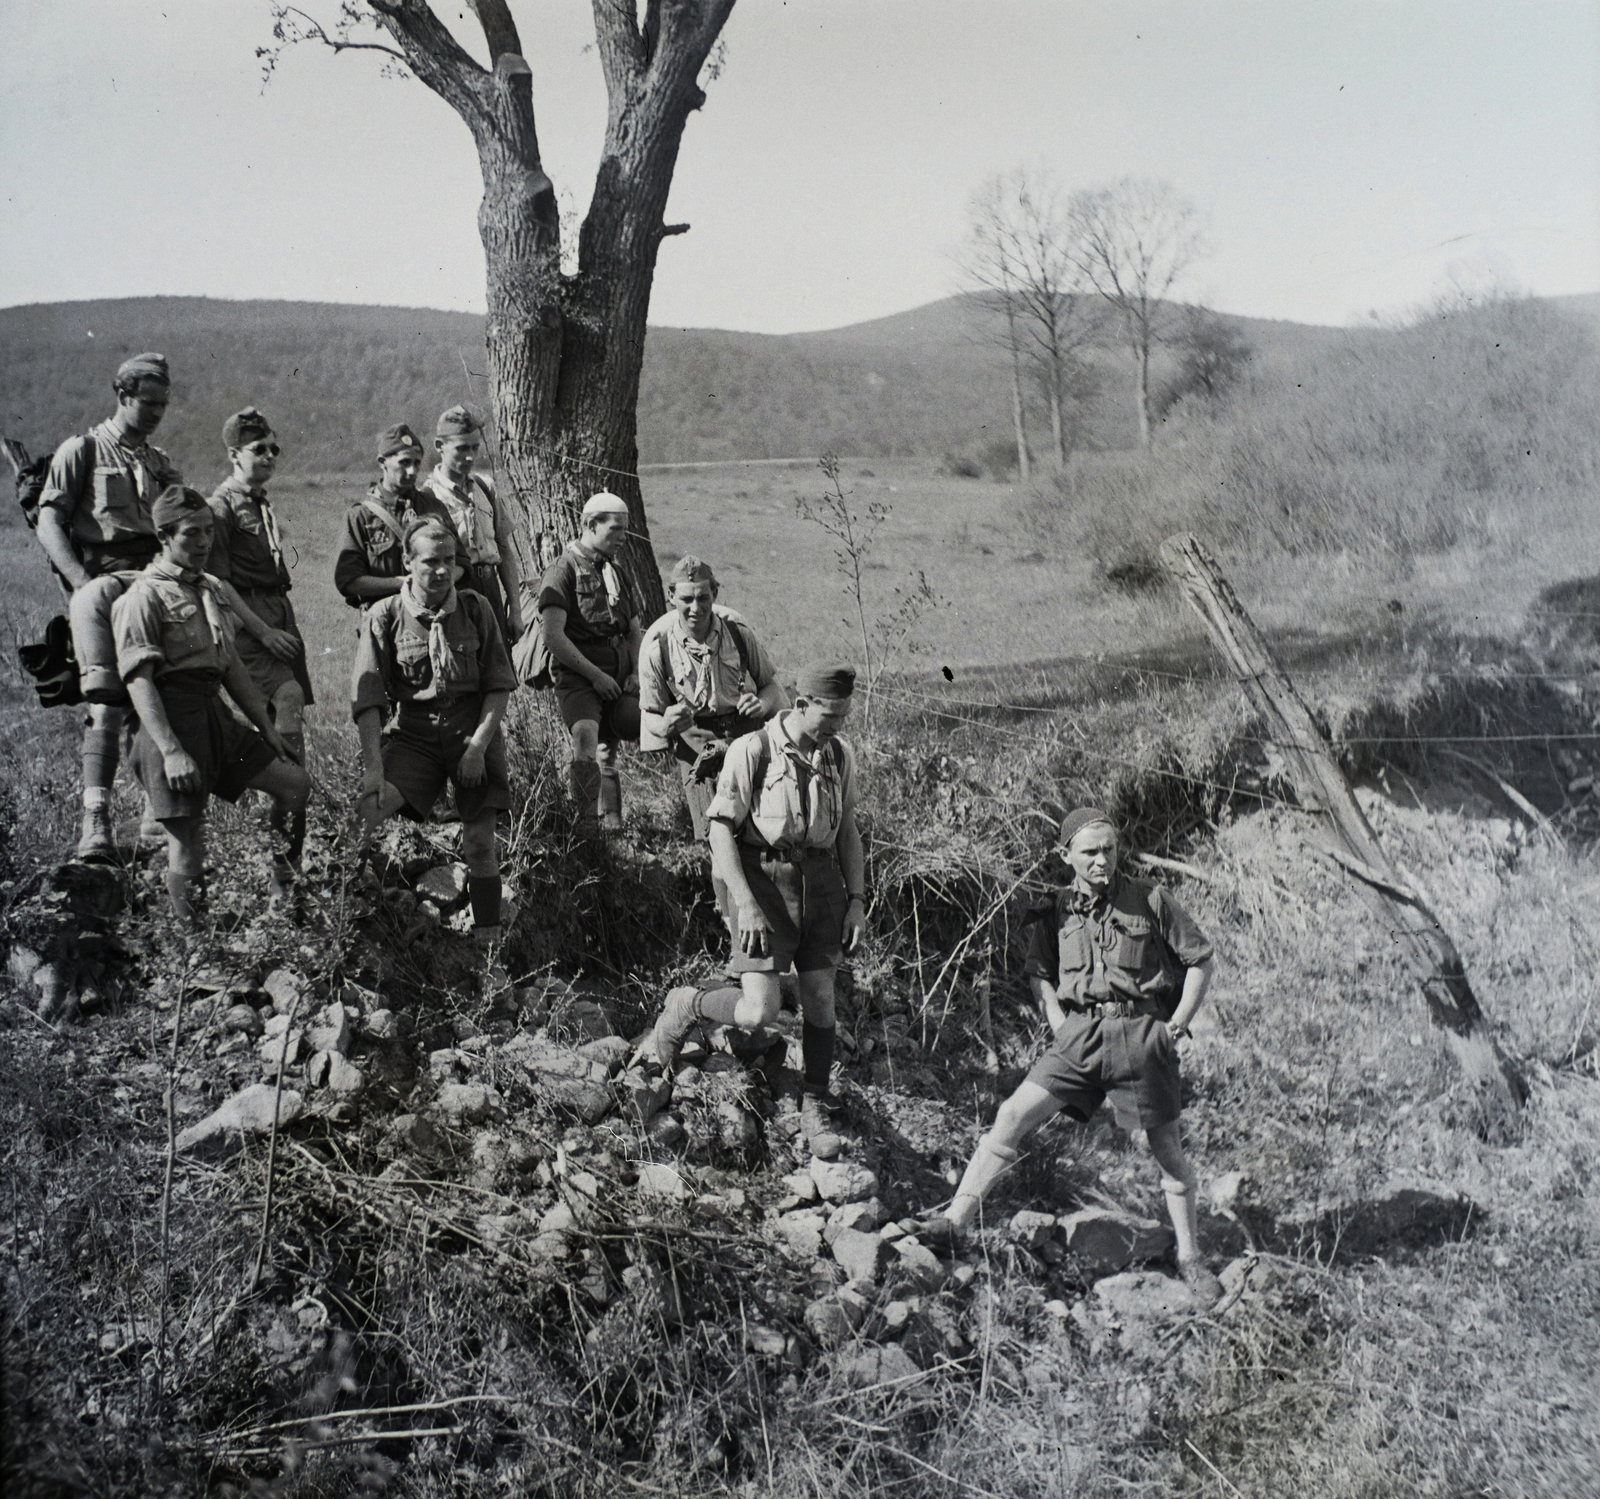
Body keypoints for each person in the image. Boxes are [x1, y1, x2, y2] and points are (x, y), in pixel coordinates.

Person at [924, 807, 1223, 1302]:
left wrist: (1177, 1025)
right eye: (1089, 852)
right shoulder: (1055, 907)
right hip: (1078, 1036)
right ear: (1066, 856)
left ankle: (1190, 1257)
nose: (1102, 859)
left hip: (1140, 1034)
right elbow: (1039, 971)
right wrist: (1058, 1022)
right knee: (1011, 1114)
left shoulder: (1150, 897)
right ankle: (955, 1221)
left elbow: (1201, 959)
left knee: (1165, 1148)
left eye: (1109, 848)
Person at [648, 664, 867, 1155]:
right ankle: (691, 1003)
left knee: (820, 998)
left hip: (822, 883)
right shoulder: (754, 749)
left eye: (844, 716)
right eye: (829, 715)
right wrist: (743, 902)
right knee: (758, 1010)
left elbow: (848, 830)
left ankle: (814, 1098)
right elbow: (720, 829)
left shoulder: (839, 755)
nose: (837, 725)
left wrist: (856, 900)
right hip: (764, 883)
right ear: (803, 703)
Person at [111, 487, 310, 923]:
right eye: (191, 534)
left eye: (208, 533)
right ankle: (195, 951)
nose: (203, 543)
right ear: (164, 536)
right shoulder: (144, 597)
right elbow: (139, 681)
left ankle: (282, 899)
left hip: (214, 716)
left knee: (294, 784)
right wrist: (170, 750)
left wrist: (268, 728)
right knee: (188, 842)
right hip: (170, 721)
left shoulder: (212, 589)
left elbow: (232, 666)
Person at [34, 352, 182, 860]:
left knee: (161, 699)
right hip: (104, 583)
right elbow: (49, 520)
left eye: (163, 404)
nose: (157, 412)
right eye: (148, 402)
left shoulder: (159, 463)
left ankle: (153, 820)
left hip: (156, 584)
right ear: (122, 396)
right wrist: (79, 582)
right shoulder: (83, 450)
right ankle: (95, 822)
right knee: (107, 705)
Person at [352, 518, 516, 968]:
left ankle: (489, 954)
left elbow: (498, 687)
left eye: (449, 561)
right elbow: (369, 703)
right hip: (416, 734)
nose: (442, 571)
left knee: (481, 843)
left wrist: (479, 747)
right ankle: (344, 922)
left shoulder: (476, 608)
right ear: (408, 563)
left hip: (471, 729)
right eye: (430, 562)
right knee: (367, 809)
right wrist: (373, 768)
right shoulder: (384, 616)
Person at [638, 554, 787, 921]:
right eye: (686, 599)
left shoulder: (737, 631)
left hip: (744, 736)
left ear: (715, 593)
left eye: (703, 598)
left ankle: (771, 928)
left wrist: (760, 704)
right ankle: (736, 932)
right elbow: (650, 717)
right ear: (671, 596)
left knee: (757, 835)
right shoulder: (657, 643)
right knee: (720, 848)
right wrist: (668, 722)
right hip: (696, 744)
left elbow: (773, 689)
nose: (695, 608)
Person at [206, 408, 313, 765]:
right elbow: (217, 580)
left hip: (277, 611)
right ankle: (289, 798)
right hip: (248, 620)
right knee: (288, 697)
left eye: (273, 449)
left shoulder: (259, 501)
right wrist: (263, 631)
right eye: (258, 449)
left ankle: (284, 808)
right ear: (234, 455)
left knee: (277, 710)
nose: (269, 456)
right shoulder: (221, 507)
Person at [535, 492, 643, 832]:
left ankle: (612, 824)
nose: (622, 538)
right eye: (615, 530)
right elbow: (553, 636)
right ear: (589, 525)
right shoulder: (562, 569)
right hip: (580, 677)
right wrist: (594, 675)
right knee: (585, 739)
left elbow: (635, 629)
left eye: (625, 530)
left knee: (609, 750)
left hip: (619, 676)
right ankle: (584, 829)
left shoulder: (616, 572)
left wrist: (637, 672)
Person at [421, 406, 524, 645]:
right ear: (440, 447)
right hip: (454, 594)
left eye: (474, 447)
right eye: (461, 448)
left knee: (499, 676)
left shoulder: (485, 487)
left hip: (491, 593)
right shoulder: (427, 497)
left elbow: (505, 551)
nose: (470, 456)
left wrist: (515, 610)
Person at [333, 424, 453, 610]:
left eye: (416, 463)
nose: (412, 471)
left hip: (432, 615)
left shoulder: (433, 507)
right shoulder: (361, 517)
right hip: (384, 618)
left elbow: (462, 564)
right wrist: (403, 583)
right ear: (383, 462)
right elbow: (349, 581)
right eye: (404, 463)